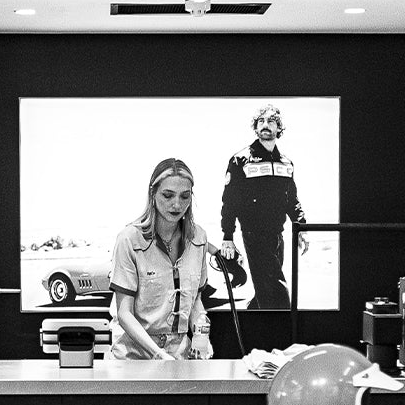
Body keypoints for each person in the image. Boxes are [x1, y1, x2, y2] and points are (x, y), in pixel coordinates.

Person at [108, 158, 213, 360]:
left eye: (185, 196)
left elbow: (195, 302)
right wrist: (159, 354)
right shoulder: (129, 239)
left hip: (179, 356)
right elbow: (124, 314)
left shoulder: (199, 238)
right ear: (152, 194)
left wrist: (202, 337)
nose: (177, 204)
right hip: (134, 356)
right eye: (168, 195)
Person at [218, 105, 309, 309]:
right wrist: (227, 236)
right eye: (261, 121)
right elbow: (230, 201)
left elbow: (292, 200)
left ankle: (250, 320)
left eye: (271, 121)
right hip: (255, 235)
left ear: (279, 128)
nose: (265, 125)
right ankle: (282, 328)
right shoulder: (241, 160)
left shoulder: (286, 163)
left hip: (277, 236)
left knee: (265, 291)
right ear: (256, 127)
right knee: (278, 294)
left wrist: (302, 228)